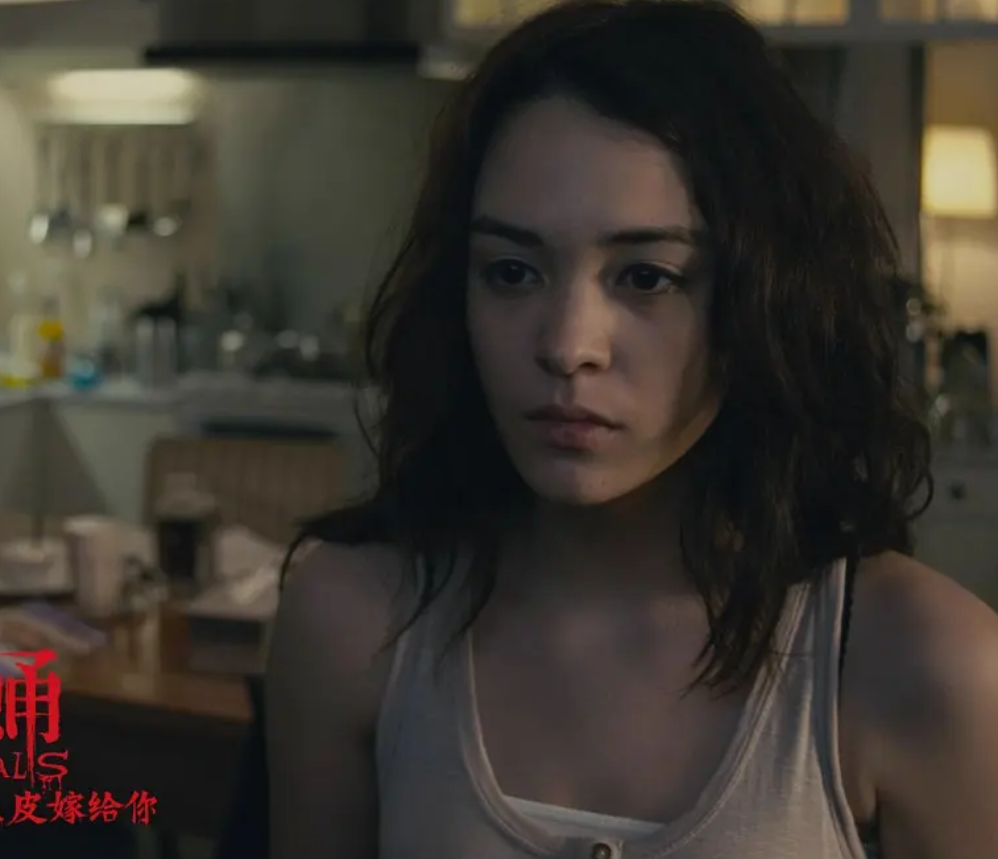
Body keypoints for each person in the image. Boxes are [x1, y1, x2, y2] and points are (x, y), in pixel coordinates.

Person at [265, 1, 998, 857]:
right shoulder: (355, 618)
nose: (566, 345)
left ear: (760, 300)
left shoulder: (919, 661)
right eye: (511, 271)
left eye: (647, 277)